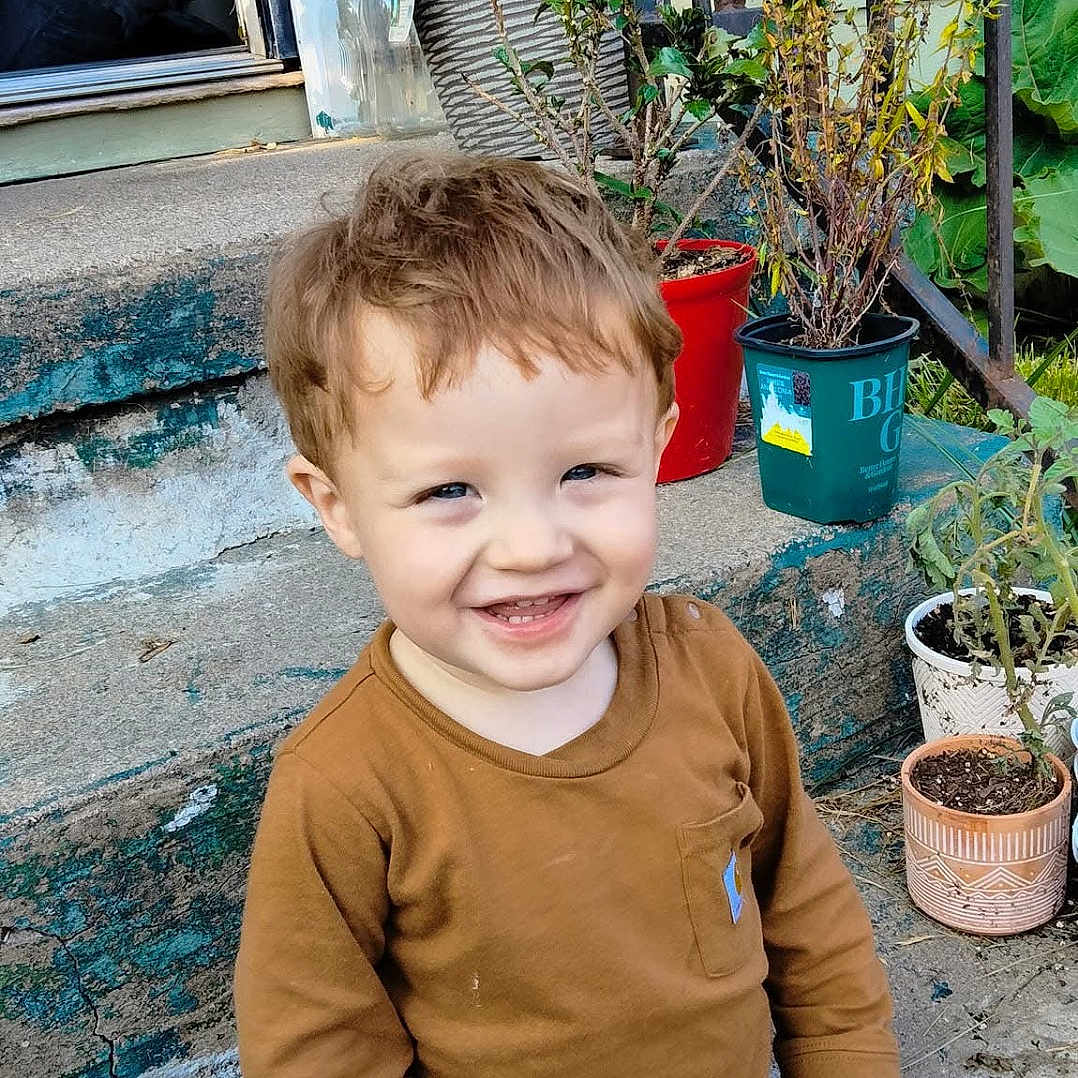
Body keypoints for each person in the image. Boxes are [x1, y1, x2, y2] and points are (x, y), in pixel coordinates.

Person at [233, 151, 900, 1077]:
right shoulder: (345, 784)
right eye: (449, 489)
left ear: (656, 446)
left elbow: (807, 911)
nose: (531, 547)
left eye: (586, 472)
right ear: (337, 504)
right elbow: (317, 1050)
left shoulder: (712, 669)